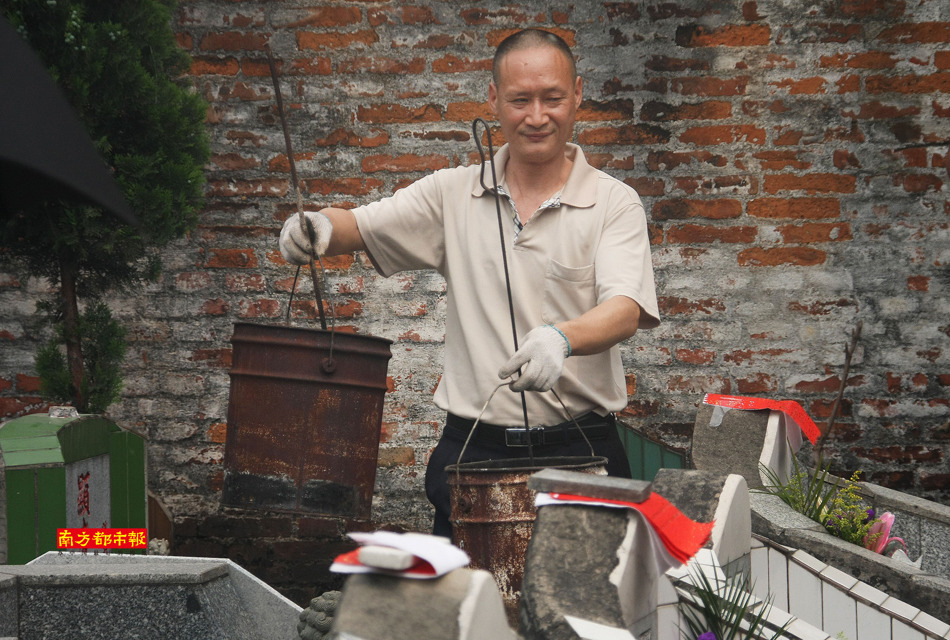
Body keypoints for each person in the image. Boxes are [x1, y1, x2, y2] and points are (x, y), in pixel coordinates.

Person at [279, 28, 660, 537]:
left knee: (584, 613)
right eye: (520, 100)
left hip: (580, 448)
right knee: (469, 612)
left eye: (553, 98)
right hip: (474, 448)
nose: (537, 116)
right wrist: (318, 227)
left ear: (578, 95)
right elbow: (358, 226)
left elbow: (626, 308)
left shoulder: (614, 202)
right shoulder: (452, 194)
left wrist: (561, 338)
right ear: (493, 100)